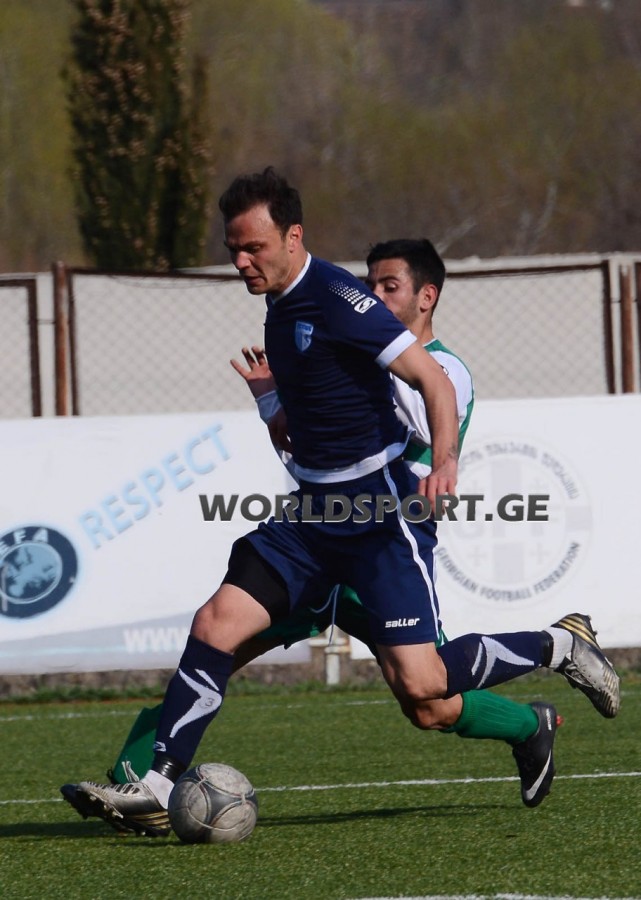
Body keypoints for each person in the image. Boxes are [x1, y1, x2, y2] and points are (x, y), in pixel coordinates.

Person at [60, 169, 620, 838]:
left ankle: (558, 646)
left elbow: (434, 382)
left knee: (426, 689)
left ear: (292, 237)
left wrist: (445, 462)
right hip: (309, 521)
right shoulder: (280, 307)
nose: (240, 262)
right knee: (215, 627)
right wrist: (272, 402)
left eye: (253, 247)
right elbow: (303, 434)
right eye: (233, 249)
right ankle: (151, 785)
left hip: (378, 520)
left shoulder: (337, 299)